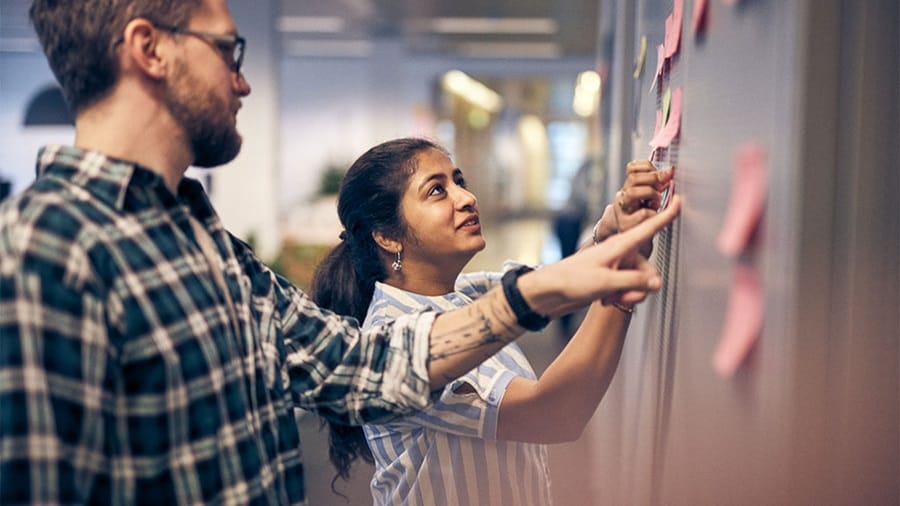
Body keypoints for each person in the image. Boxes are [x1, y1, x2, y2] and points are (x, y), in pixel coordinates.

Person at [0, 1, 679, 504]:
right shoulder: (42, 252)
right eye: (229, 52)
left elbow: (363, 365)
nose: (243, 83)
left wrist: (543, 290)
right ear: (150, 48)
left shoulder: (208, 246)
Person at [311, 138, 677, 505]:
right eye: (437, 190)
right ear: (387, 236)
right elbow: (554, 414)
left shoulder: (461, 293)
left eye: (459, 181)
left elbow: (557, 285)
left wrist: (613, 226)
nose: (466, 198)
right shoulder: (396, 342)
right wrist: (622, 282)